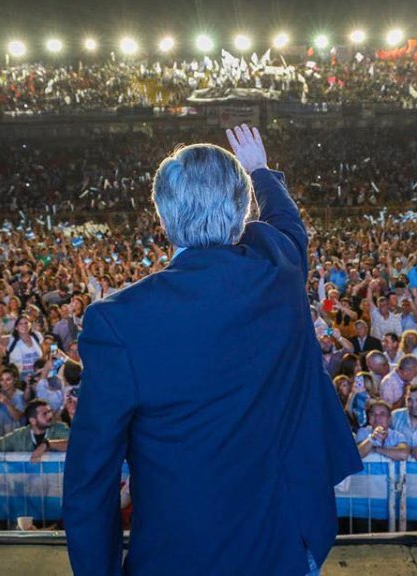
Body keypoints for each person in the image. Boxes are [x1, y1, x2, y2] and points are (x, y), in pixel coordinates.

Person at [63, 126, 361, 576]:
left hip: (181, 556)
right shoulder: (278, 267)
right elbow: (288, 223)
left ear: (162, 217)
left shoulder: (119, 320)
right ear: (242, 212)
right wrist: (261, 170)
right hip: (288, 544)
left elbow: (90, 480)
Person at [0, 399, 69, 469]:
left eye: (50, 412)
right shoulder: (20, 435)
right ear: (32, 421)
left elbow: (74, 444)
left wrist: (47, 444)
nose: (50, 416)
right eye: (45, 414)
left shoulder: (59, 428)